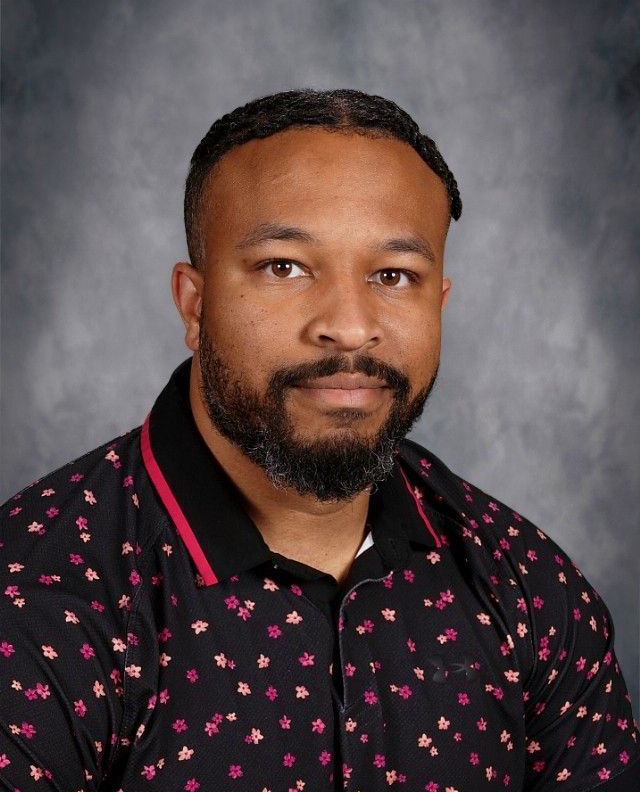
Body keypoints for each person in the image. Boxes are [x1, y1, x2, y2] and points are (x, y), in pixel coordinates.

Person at [0, 89, 638, 792]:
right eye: (285, 267)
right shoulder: (37, 603)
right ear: (194, 304)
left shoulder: (530, 589)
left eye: (394, 276)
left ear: (440, 304)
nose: (348, 325)